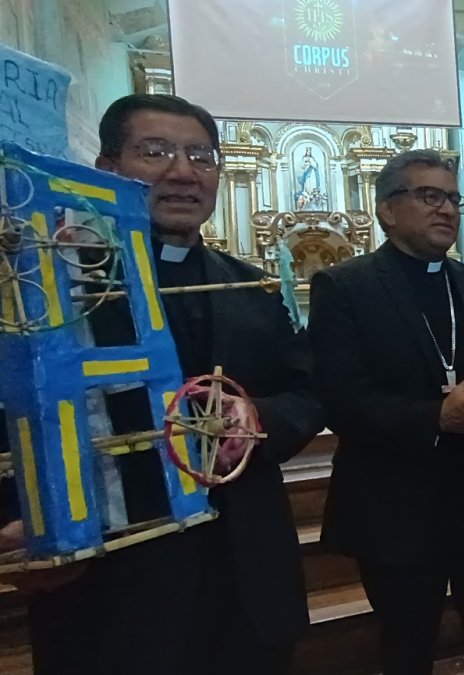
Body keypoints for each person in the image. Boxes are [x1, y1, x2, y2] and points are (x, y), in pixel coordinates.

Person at [0, 93, 323, 675]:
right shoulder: (47, 287)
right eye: (156, 152)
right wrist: (21, 521)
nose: (183, 171)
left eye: (201, 156)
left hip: (242, 569)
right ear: (106, 169)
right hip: (108, 580)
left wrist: (257, 419)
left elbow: (307, 390)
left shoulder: (250, 288)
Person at [306, 149, 464, 675]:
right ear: (387, 208)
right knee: (408, 646)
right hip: (393, 506)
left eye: (452, 198)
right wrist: (435, 417)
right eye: (429, 196)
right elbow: (342, 399)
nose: (446, 209)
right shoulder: (345, 288)